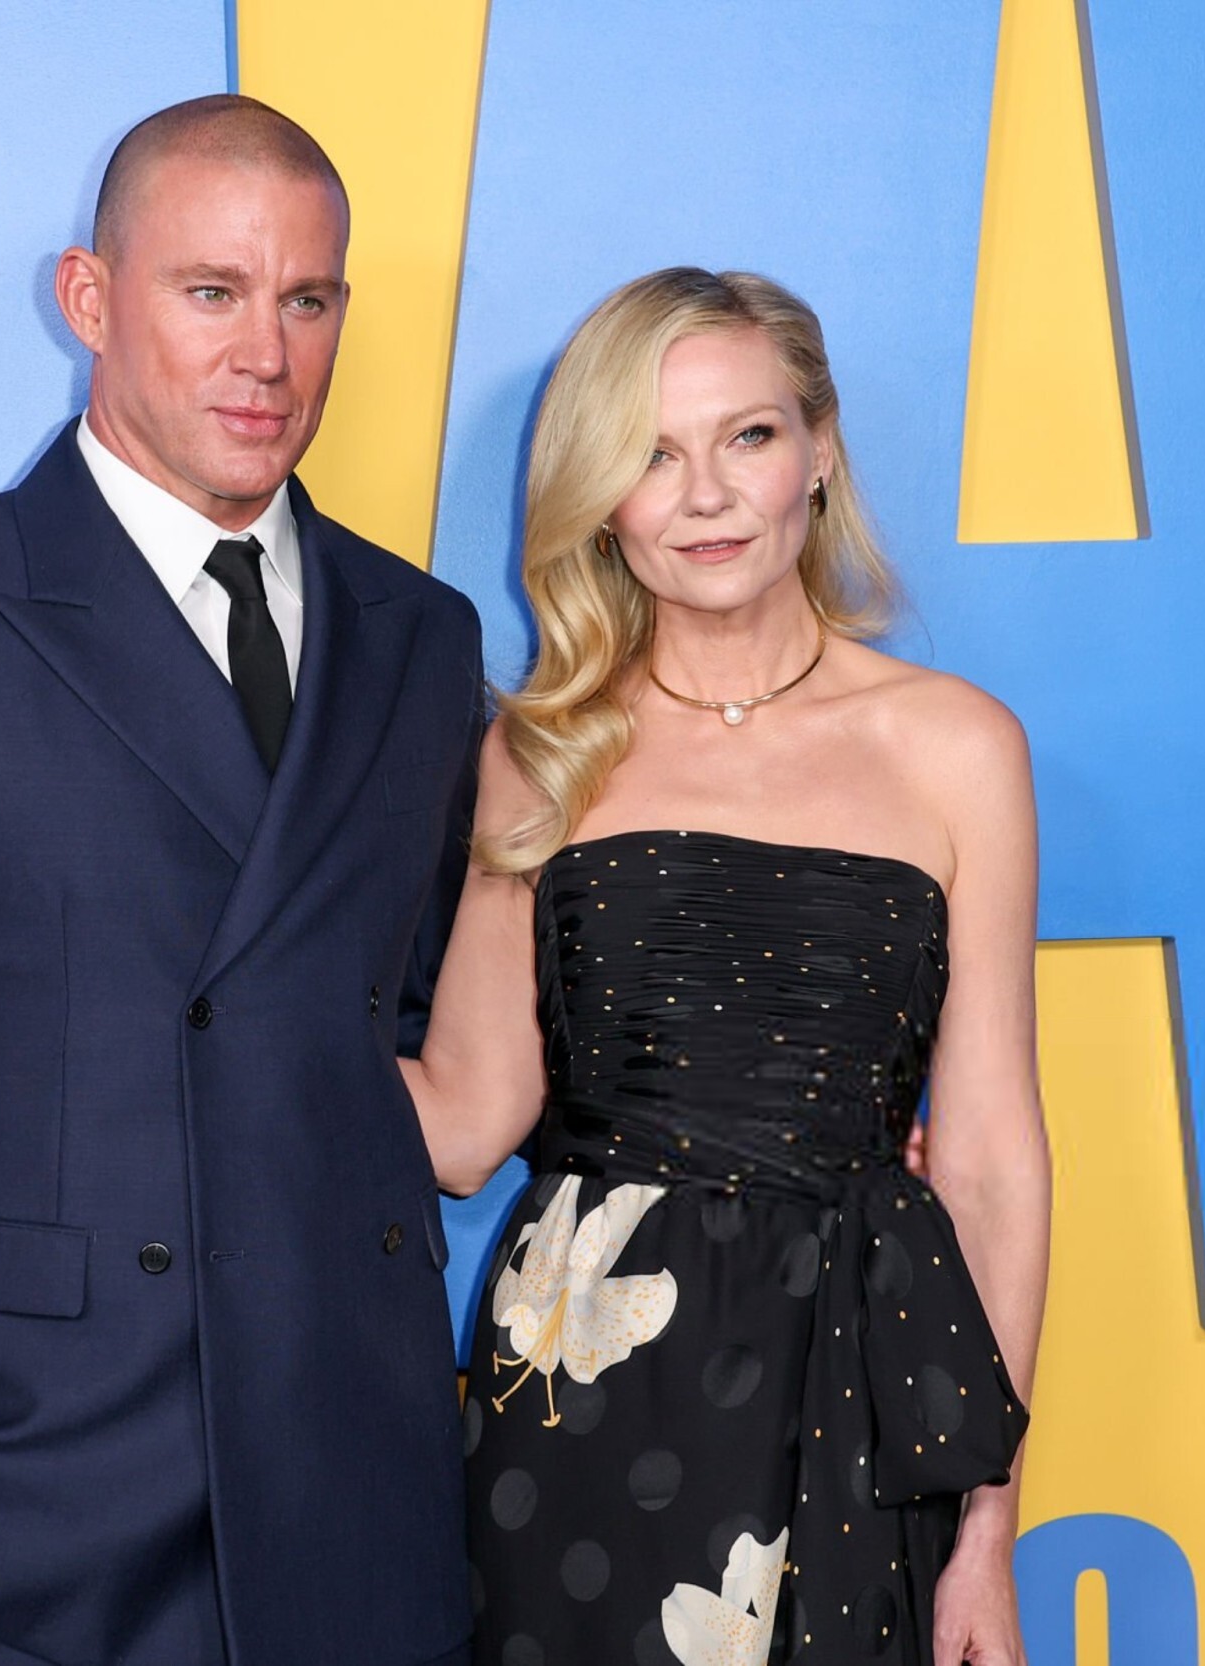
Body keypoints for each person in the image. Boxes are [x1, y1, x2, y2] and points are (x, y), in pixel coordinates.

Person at [0, 95, 485, 1666]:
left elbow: (396, 1033)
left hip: (360, 1497)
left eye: (307, 299)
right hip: (31, 1516)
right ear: (89, 299)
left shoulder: (421, 638)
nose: (266, 354)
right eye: (211, 291)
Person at [406, 268, 1049, 1666]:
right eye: (650, 454)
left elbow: (993, 1157)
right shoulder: (543, 751)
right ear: (600, 499)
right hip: (580, 1401)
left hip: (857, 1385)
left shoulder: (960, 749)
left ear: (818, 451)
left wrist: (988, 1528)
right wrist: (208, 1015)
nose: (704, 495)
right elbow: (462, 1123)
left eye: (746, 436)